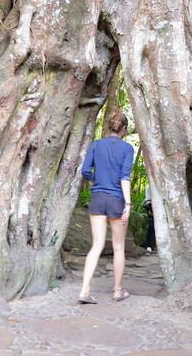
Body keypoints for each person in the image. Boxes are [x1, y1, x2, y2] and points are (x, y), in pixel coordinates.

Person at [78, 111, 134, 304]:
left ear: (109, 127)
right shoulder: (127, 149)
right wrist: (128, 203)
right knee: (118, 248)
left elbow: (85, 171)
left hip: (98, 198)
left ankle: (84, 290)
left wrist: (97, 180)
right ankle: (117, 291)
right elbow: (124, 177)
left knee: (97, 245)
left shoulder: (96, 145)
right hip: (117, 199)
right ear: (124, 130)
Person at [144, 184, 155, 253]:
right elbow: (148, 199)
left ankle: (152, 245)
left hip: (158, 205)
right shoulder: (149, 186)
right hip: (150, 205)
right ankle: (148, 246)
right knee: (151, 226)